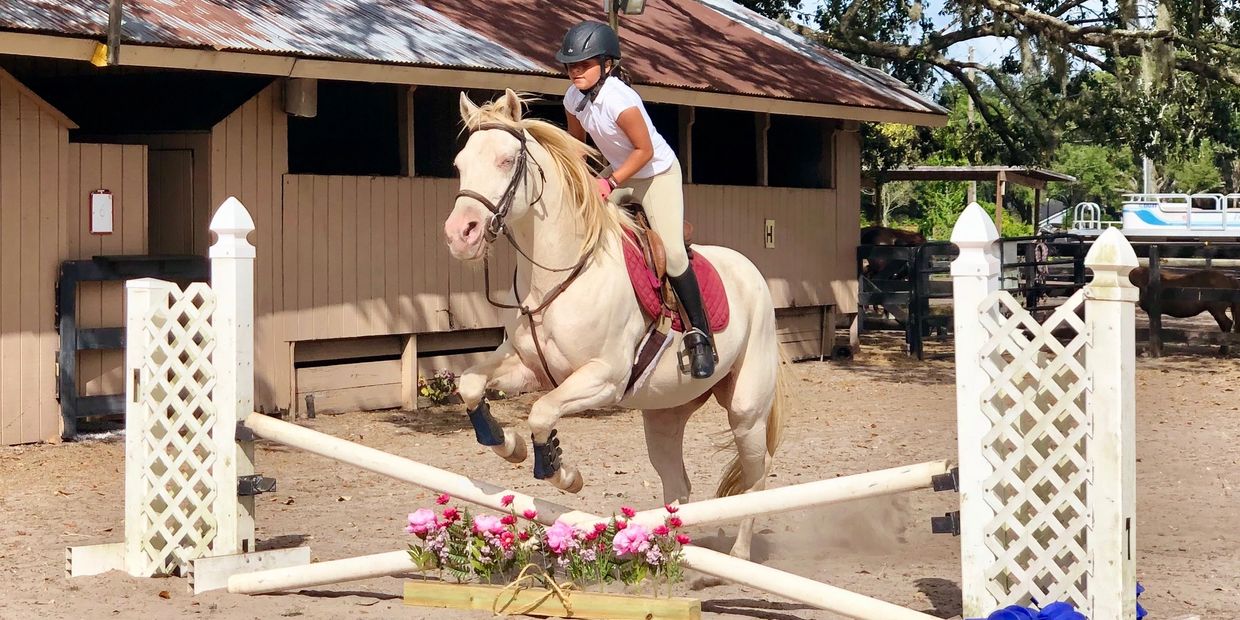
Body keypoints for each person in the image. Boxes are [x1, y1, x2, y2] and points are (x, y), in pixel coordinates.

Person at [556, 20, 715, 379]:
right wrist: (579, 182)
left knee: (673, 254)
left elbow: (643, 151)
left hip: (656, 173)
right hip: (620, 173)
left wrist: (609, 183)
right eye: (570, 65)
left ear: (607, 64)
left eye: (584, 64)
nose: (575, 71)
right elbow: (579, 148)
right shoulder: (572, 99)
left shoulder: (620, 100)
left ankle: (700, 336)